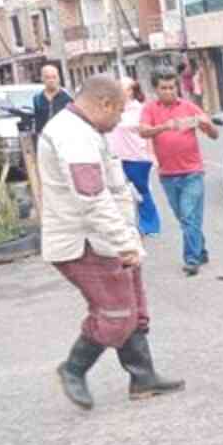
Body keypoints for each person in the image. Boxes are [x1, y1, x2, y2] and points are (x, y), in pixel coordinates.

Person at [37, 74, 184, 410]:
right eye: (118, 112)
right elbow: (92, 200)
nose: (120, 120)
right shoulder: (73, 137)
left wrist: (128, 236)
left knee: (134, 308)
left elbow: (114, 189)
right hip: (86, 241)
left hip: (109, 237)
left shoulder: (87, 131)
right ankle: (73, 368)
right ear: (103, 104)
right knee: (116, 313)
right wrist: (126, 243)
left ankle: (143, 377)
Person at [139, 68, 219, 276]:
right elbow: (143, 131)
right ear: (156, 90)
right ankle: (200, 249)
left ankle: (191, 260)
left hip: (192, 172)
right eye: (164, 88)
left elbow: (214, 134)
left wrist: (206, 124)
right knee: (184, 217)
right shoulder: (150, 109)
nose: (169, 91)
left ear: (178, 87)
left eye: (172, 87)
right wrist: (164, 127)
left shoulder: (188, 106)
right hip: (168, 175)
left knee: (189, 215)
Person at [108, 77, 162, 237]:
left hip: (137, 156)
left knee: (141, 192)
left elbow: (149, 134)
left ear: (132, 91)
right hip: (115, 158)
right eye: (118, 88)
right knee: (120, 193)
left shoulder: (140, 110)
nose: (121, 92)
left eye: (125, 89)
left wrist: (152, 155)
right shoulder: (112, 109)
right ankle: (127, 226)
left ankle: (150, 225)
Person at [32, 64, 73, 138]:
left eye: (54, 77)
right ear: (42, 79)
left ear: (59, 78)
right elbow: (38, 122)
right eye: (47, 77)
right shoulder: (37, 99)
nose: (51, 80)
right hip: (46, 138)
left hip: (64, 138)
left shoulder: (68, 98)